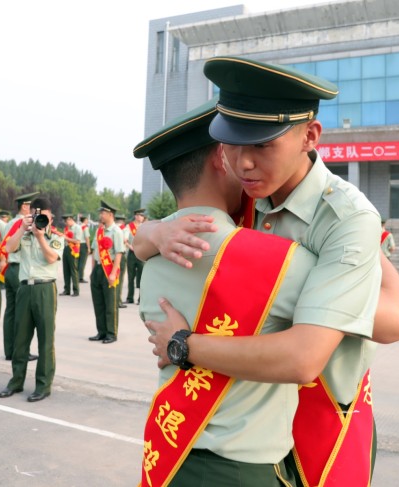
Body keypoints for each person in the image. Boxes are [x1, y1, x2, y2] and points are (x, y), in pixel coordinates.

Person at [136, 56, 399, 486]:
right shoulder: (248, 194)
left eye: (262, 144)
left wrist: (183, 345)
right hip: (254, 423)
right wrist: (154, 230)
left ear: (310, 136)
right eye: (231, 143)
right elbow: (152, 242)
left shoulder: (345, 218)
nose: (243, 163)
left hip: (320, 420)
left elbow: (389, 325)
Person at [134, 99, 318, 486]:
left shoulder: (153, 252)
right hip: (243, 469)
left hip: (174, 456)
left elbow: (139, 240)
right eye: (240, 147)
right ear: (223, 156)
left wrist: (149, 230)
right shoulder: (278, 260)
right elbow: (381, 314)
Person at [0, 196, 63, 402]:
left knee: (45, 340)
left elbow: (52, 257)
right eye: (35, 215)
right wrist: (22, 228)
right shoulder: (24, 234)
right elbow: (8, 248)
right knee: (20, 339)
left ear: (50, 217)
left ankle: (43, 386)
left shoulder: (56, 237)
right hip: (24, 289)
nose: (39, 219)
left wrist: (40, 236)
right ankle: (16, 382)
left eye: (43, 216)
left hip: (45, 289)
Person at [0, 191, 39, 361]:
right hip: (20, 271)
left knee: (11, 311)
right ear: (25, 206)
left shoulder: (10, 224)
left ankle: (9, 350)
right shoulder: (23, 224)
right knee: (23, 313)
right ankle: (20, 351)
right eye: (32, 206)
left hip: (10, 269)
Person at [89, 201, 124, 344]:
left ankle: (111, 333)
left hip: (109, 270)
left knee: (110, 303)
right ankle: (101, 331)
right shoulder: (99, 231)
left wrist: (113, 273)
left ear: (110, 214)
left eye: (102, 213)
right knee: (98, 303)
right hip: (98, 269)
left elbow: (119, 254)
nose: (100, 215)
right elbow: (93, 252)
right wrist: (92, 272)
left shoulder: (116, 232)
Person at [125, 209, 145, 304]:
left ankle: (141, 299)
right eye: (140, 216)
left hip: (141, 254)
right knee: (130, 277)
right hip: (132, 254)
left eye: (142, 216)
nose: (141, 217)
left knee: (142, 278)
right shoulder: (129, 227)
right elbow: (125, 240)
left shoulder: (145, 227)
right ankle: (130, 298)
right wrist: (131, 247)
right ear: (136, 216)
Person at [59, 214, 82, 297]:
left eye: (66, 221)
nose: (66, 223)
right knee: (66, 270)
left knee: (73, 270)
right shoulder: (67, 228)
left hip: (73, 250)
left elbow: (77, 241)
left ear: (70, 219)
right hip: (66, 249)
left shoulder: (77, 228)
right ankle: (67, 289)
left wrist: (66, 238)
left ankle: (76, 290)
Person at [116, 214, 128, 308]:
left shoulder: (112, 229)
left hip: (111, 256)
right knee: (119, 279)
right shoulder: (125, 229)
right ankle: (118, 301)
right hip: (121, 254)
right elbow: (125, 240)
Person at [78, 216, 91, 283]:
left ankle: (77, 276)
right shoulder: (85, 227)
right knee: (82, 262)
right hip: (83, 245)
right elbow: (87, 238)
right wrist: (88, 247)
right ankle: (80, 277)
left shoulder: (79, 227)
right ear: (84, 220)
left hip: (78, 244)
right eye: (87, 220)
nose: (87, 221)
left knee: (78, 261)